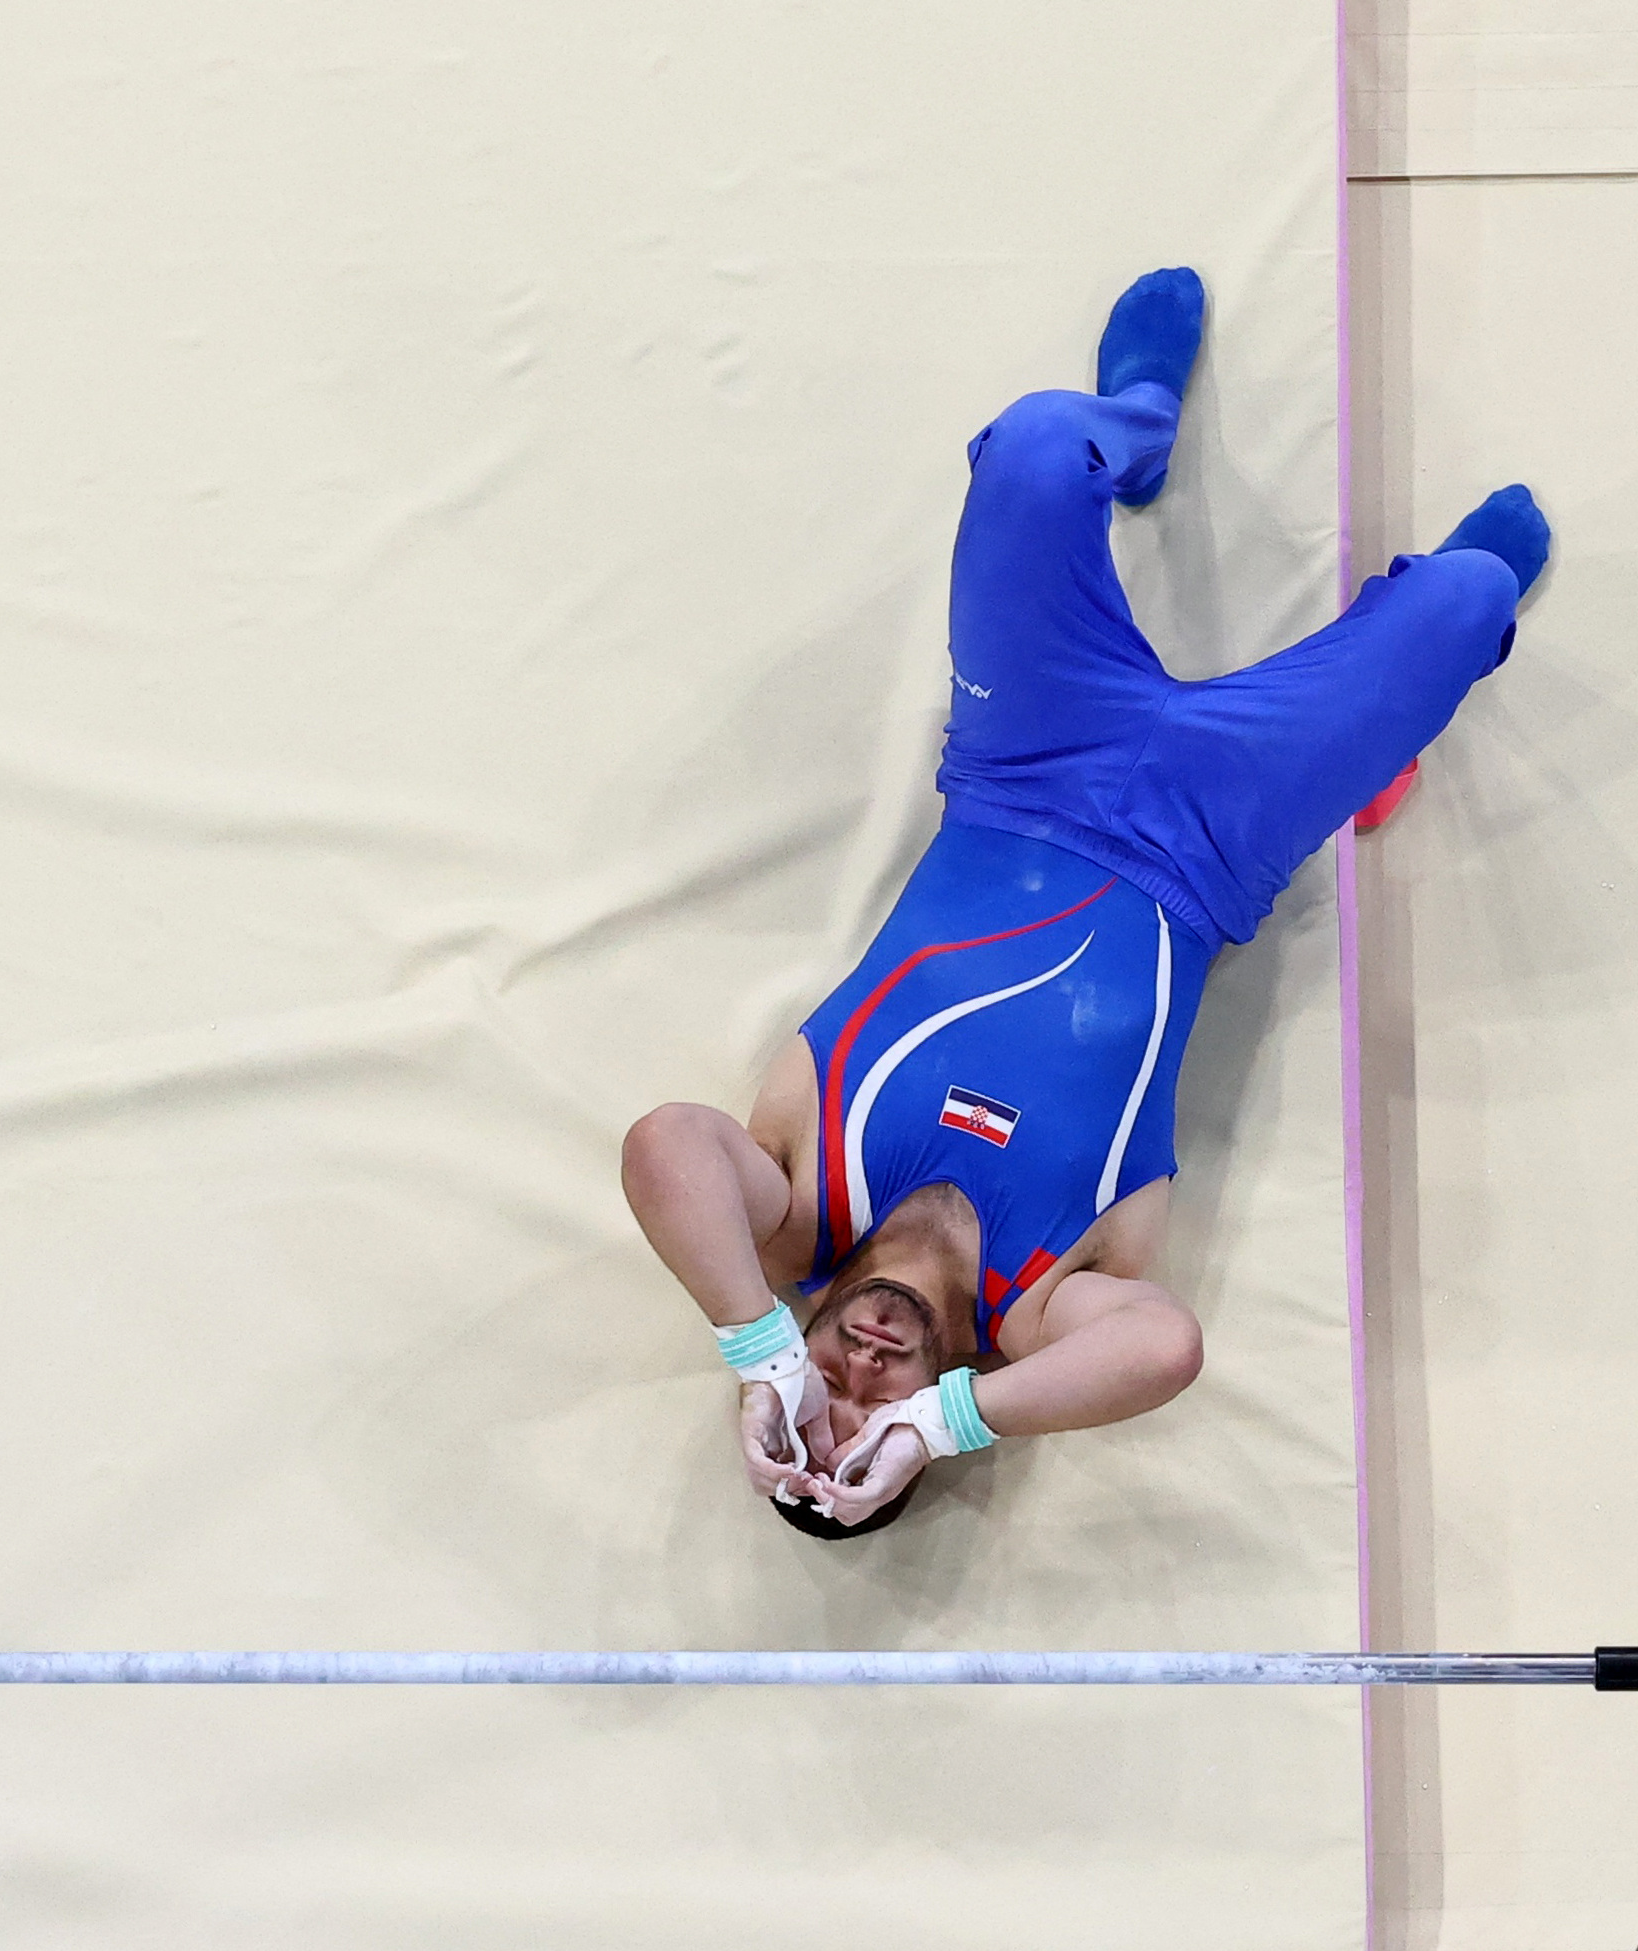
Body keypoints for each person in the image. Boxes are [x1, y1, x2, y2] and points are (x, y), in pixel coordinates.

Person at [620, 266, 1550, 1535]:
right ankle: (1368, 743)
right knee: (1468, 596)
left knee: (1042, 446)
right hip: (1212, 840)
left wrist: (751, 1353)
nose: (856, 1370)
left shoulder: (796, 1213)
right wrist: (948, 1428)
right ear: (939, 1401)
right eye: (872, 1415)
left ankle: (1143, 419)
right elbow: (1163, 1350)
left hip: (1019, 768)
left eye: (817, 1388)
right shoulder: (1039, 1305)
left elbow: (666, 1143)